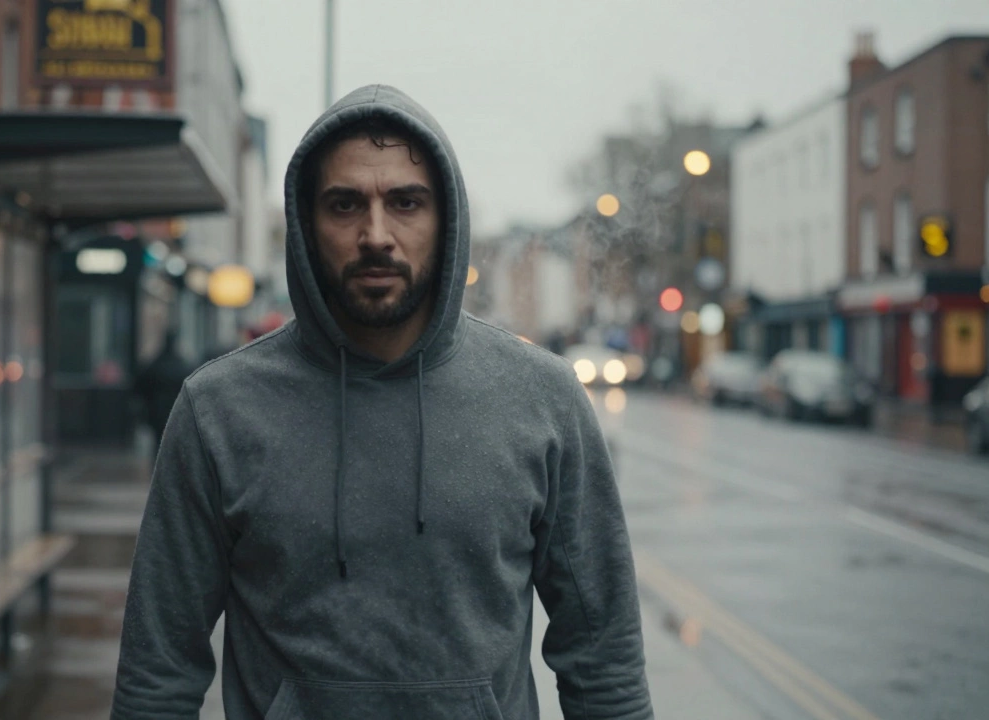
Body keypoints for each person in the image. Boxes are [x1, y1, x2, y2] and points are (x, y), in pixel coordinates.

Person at [111, 85, 651, 719]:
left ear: (445, 219)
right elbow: (158, 671)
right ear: (305, 225)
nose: (376, 234)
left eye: (405, 202)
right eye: (344, 205)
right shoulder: (218, 410)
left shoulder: (544, 399)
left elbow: (604, 660)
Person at [133, 328, 193, 459]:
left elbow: (140, 388)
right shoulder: (182, 365)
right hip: (176, 410)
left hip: (157, 410)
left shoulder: (155, 364)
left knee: (158, 443)